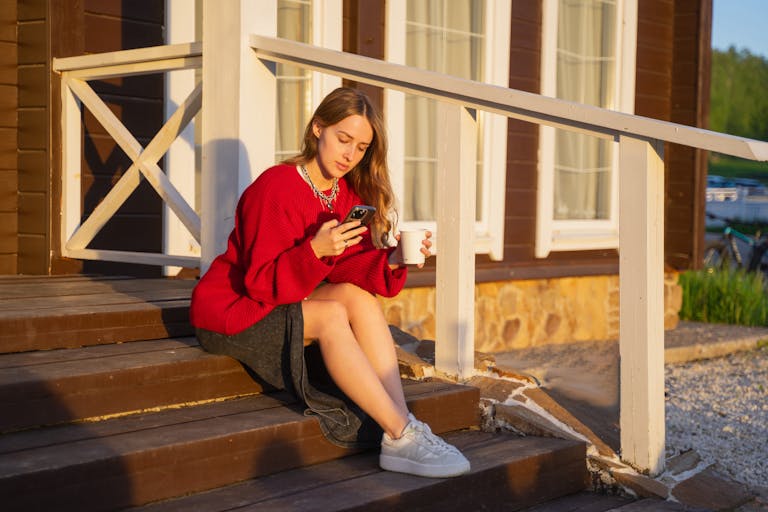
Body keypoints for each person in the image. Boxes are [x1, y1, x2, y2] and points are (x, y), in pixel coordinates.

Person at [190, 87, 470, 478]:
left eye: (361, 147)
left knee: (358, 298)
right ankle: (401, 430)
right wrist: (314, 250)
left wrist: (390, 258)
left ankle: (402, 429)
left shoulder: (345, 192)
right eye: (343, 139)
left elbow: (346, 269)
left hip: (286, 301)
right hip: (234, 312)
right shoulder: (276, 186)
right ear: (317, 129)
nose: (350, 155)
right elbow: (258, 282)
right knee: (332, 315)